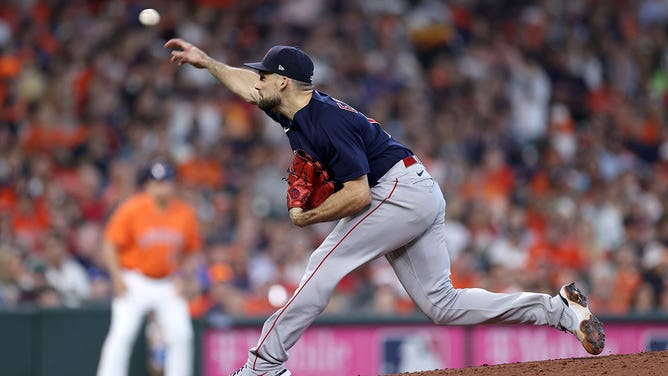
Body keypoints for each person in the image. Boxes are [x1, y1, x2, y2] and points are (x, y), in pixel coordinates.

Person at [165, 39, 605, 376]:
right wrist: (207, 63)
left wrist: (308, 217)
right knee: (443, 305)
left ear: (282, 82)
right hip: (415, 190)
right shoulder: (292, 107)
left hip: (396, 191)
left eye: (263, 75)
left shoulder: (325, 122)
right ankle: (558, 310)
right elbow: (248, 90)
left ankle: (264, 366)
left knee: (323, 263)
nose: (255, 81)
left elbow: (357, 196)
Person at [97, 161, 201, 376]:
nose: (161, 187)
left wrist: (188, 278)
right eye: (156, 182)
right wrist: (116, 278)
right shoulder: (132, 208)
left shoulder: (184, 213)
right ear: (147, 185)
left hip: (169, 282)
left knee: (181, 335)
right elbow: (109, 243)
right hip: (135, 280)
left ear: (173, 185)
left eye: (166, 182)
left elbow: (192, 251)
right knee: (122, 334)